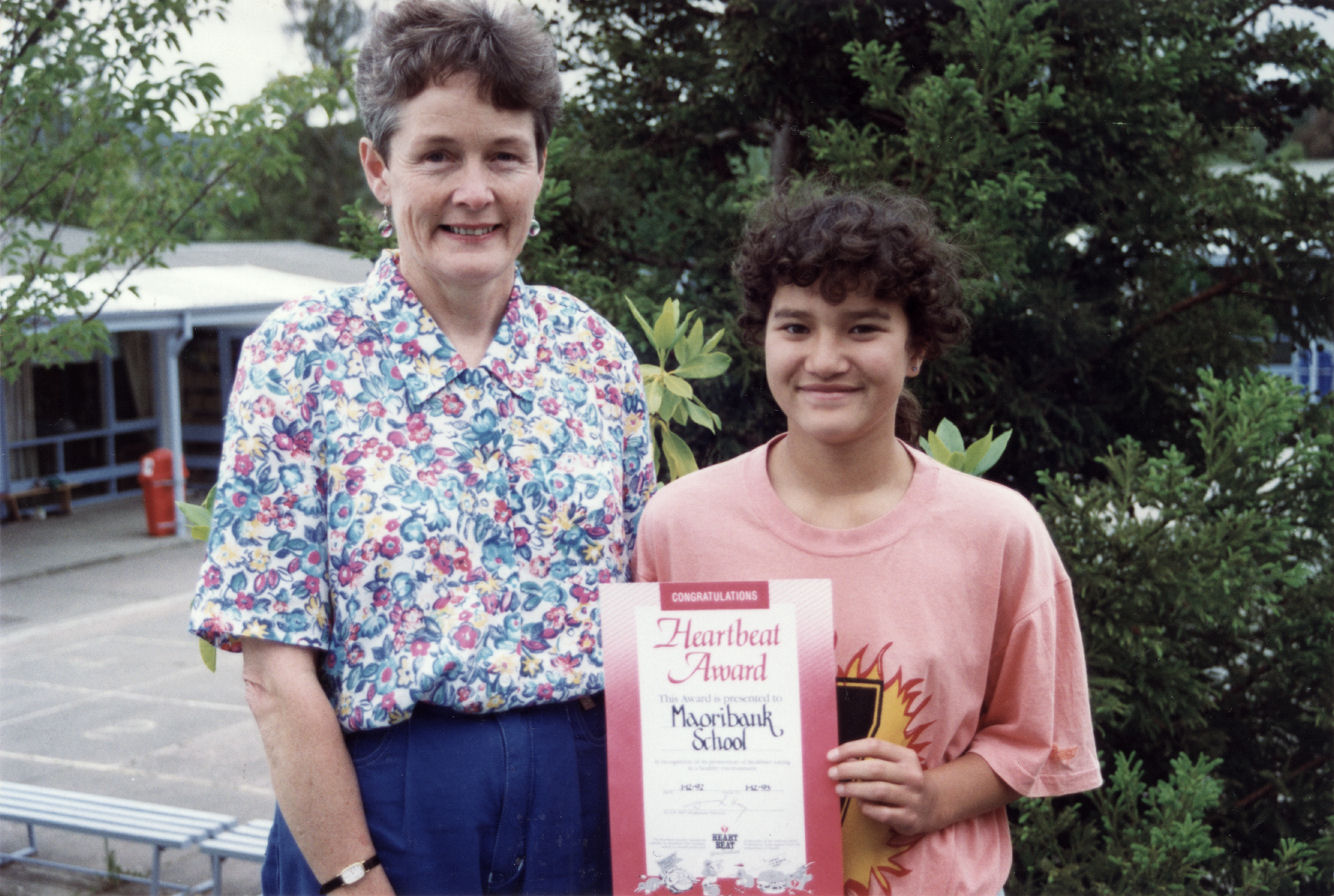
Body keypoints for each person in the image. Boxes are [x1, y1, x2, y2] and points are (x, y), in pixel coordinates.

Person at [189, 1, 655, 893]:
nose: (473, 191)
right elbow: (274, 672)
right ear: (379, 167)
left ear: (540, 169)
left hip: (581, 807)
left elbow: (647, 610)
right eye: (438, 154)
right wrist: (353, 877)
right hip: (384, 809)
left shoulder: (594, 353)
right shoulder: (298, 359)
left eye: (503, 156)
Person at [631, 185, 1101, 896]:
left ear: (916, 348)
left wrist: (935, 797)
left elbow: (1034, 740)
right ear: (762, 337)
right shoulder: (680, 523)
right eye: (795, 327)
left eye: (862, 328)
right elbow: (644, 753)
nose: (824, 358)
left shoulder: (998, 532)